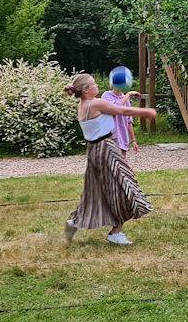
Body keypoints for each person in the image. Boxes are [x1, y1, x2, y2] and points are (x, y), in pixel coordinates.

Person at [63, 73, 158, 245]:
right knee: (123, 187)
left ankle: (75, 221)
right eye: (93, 84)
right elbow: (123, 111)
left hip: (93, 150)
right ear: (86, 90)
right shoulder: (96, 103)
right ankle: (116, 232)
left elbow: (116, 110)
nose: (97, 86)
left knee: (97, 191)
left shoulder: (83, 105)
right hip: (107, 148)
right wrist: (147, 112)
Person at [101, 85, 141, 155]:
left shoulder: (125, 99)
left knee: (122, 162)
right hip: (111, 136)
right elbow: (115, 109)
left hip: (123, 136)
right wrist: (128, 95)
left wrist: (133, 140)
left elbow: (129, 121)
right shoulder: (106, 96)